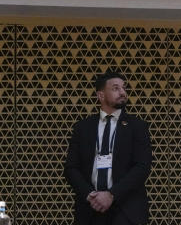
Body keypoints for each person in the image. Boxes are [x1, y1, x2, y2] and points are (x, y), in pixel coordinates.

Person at [65, 71, 152, 225]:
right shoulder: (82, 127)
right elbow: (71, 167)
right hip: (91, 209)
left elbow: (142, 167)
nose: (123, 92)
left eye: (124, 88)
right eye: (116, 88)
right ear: (101, 95)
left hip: (127, 210)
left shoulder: (137, 126)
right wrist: (90, 195)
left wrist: (111, 195)